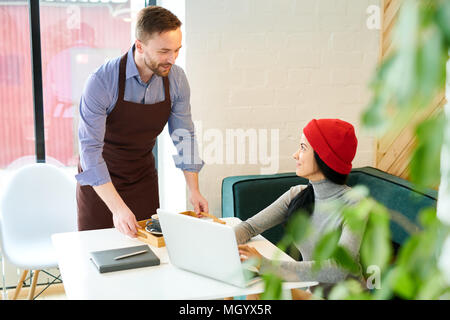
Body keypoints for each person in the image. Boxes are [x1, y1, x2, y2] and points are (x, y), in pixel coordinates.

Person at [76, 6, 208, 237]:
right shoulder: (101, 81)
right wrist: (117, 208)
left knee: (147, 255)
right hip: (101, 184)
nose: (172, 59)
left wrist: (194, 190)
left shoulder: (176, 79)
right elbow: (90, 152)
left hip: (142, 178)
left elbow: (184, 135)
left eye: (177, 50)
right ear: (139, 45)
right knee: (98, 256)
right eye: (164, 51)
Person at [234, 118, 366, 299]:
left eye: (303, 148)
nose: (295, 155)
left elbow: (340, 269)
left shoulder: (355, 204)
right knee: (256, 292)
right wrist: (223, 243)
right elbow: (250, 227)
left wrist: (266, 265)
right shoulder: (297, 194)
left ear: (324, 157)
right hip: (314, 295)